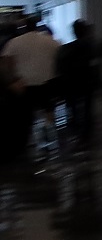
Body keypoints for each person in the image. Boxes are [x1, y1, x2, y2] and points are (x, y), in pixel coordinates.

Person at [5, 15, 62, 157]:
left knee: (25, 115)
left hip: (24, 85)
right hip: (47, 82)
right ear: (37, 26)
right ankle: (50, 139)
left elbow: (6, 62)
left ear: (23, 27)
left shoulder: (14, 42)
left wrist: (12, 80)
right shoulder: (49, 41)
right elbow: (60, 54)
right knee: (48, 111)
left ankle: (27, 143)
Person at [56, 19, 100, 145]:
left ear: (73, 32)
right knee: (87, 107)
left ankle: (77, 129)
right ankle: (86, 131)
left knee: (74, 107)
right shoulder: (91, 46)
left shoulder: (66, 48)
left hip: (72, 83)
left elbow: (61, 66)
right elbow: (95, 64)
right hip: (87, 81)